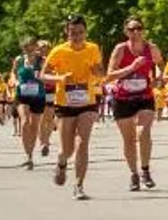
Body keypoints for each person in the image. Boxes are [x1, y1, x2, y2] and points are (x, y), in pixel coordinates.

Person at [43, 17, 103, 200]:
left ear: (85, 32)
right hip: (65, 103)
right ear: (67, 33)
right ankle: (61, 163)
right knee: (66, 150)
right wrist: (60, 79)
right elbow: (43, 75)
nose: (77, 36)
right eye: (73, 32)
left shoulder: (93, 48)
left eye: (80, 32)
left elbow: (100, 72)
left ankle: (79, 185)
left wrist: (96, 72)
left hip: (87, 102)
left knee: (82, 143)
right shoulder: (59, 51)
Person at [107, 18, 163, 191]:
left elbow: (161, 64)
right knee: (129, 140)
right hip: (122, 98)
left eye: (139, 28)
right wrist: (131, 67)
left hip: (144, 96)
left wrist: (158, 78)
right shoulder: (120, 49)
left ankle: (145, 170)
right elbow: (110, 75)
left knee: (143, 131)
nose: (136, 32)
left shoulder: (151, 48)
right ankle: (134, 174)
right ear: (126, 32)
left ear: (143, 30)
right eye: (132, 29)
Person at [10, 38, 49, 170]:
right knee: (25, 122)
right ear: (23, 48)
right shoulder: (19, 60)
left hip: (38, 95)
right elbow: (13, 73)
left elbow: (48, 73)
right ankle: (27, 155)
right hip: (22, 95)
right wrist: (14, 81)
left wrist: (45, 77)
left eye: (31, 46)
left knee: (34, 126)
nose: (28, 49)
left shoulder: (42, 60)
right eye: (25, 47)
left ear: (35, 47)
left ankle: (30, 155)